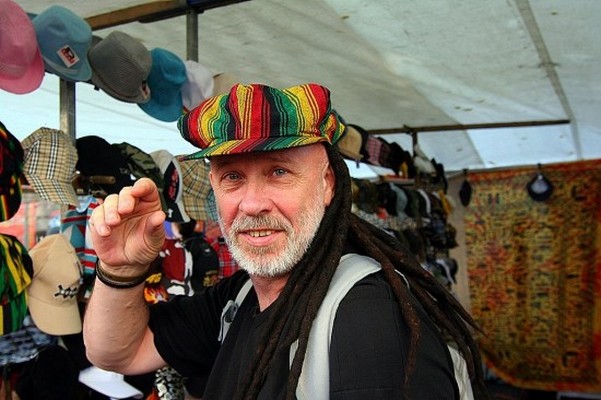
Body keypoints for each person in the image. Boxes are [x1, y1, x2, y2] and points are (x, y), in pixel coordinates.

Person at [83, 83, 488, 399]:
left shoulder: (369, 322)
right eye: (232, 177)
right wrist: (121, 269)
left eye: (279, 172)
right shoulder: (238, 298)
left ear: (327, 183)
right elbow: (120, 352)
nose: (252, 204)